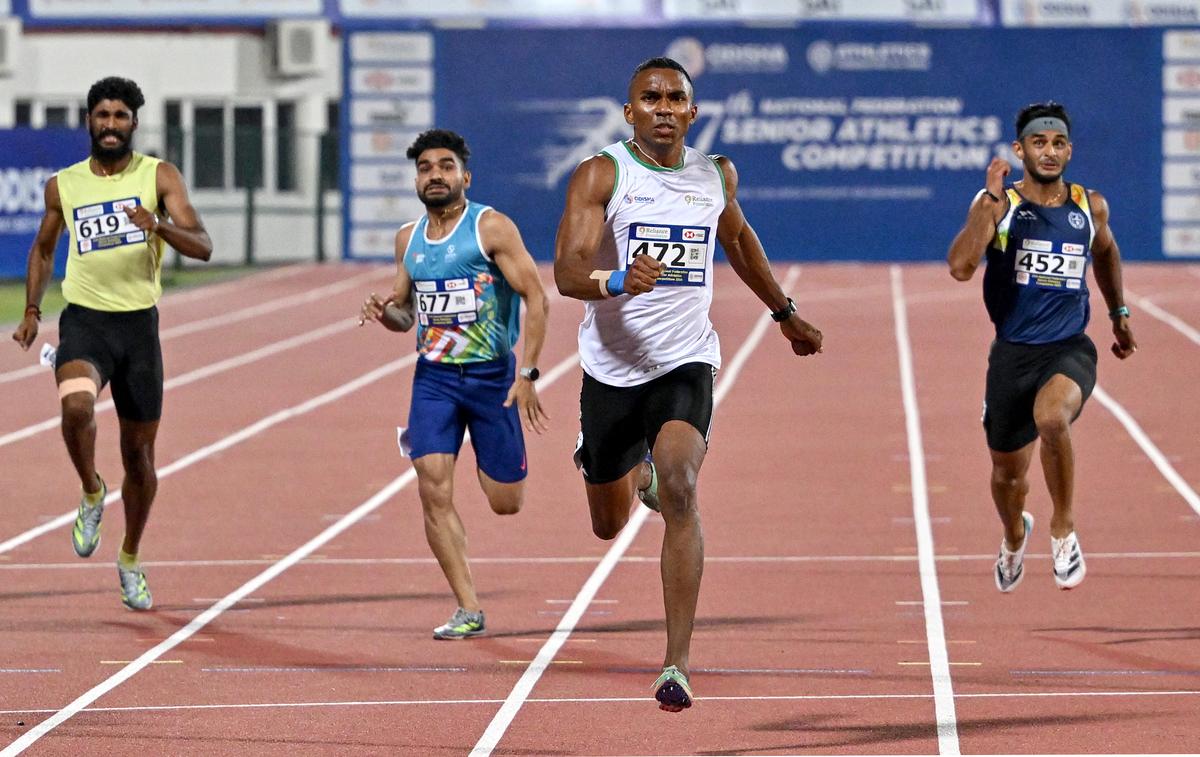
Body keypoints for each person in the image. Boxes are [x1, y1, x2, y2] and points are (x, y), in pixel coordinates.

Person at [553, 57, 823, 711]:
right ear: (631, 112)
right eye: (651, 97)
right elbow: (566, 271)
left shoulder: (715, 175)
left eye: (677, 97)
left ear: (693, 113)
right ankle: (627, 473)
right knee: (607, 523)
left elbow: (740, 240)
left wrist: (784, 313)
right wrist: (619, 281)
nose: (665, 106)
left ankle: (676, 663)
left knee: (681, 482)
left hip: (684, 362)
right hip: (612, 370)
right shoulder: (603, 174)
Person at [11, 76, 213, 610]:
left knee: (140, 457)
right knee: (76, 407)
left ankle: (129, 557)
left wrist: (158, 225)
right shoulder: (64, 185)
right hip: (85, 321)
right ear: (89, 121)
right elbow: (43, 247)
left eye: (120, 116)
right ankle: (92, 490)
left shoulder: (159, 176)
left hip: (139, 329)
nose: (110, 124)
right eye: (102, 115)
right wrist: (33, 311)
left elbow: (204, 246)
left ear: (134, 124)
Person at [359, 129, 550, 640]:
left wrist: (527, 373)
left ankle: (493, 455)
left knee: (506, 502)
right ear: (417, 180)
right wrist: (386, 312)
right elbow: (405, 313)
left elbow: (537, 297)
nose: (435, 175)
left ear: (465, 176)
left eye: (445, 166)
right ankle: (468, 607)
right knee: (431, 487)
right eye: (425, 168)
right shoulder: (409, 238)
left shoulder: (490, 227)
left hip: (492, 378)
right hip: (435, 380)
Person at [946, 101, 1136, 594]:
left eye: (1057, 143)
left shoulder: (1088, 206)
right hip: (1012, 356)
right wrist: (985, 206)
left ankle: (1064, 529)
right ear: (1019, 149)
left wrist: (1119, 315)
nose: (1048, 152)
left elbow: (1107, 253)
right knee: (1008, 478)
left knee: (1053, 419)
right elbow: (962, 267)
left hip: (1069, 348)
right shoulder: (999, 205)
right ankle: (1015, 534)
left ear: (1068, 149)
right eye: (1038, 142)